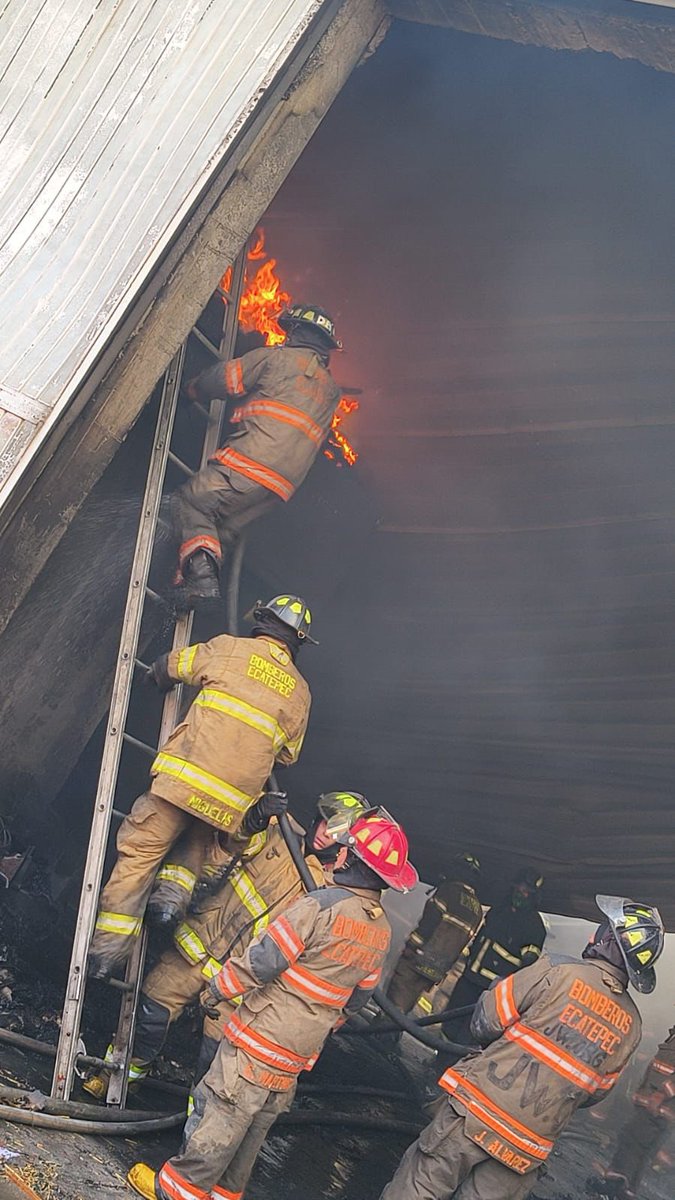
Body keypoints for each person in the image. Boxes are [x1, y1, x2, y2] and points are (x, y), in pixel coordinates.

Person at [127, 811, 418, 1200]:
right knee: (256, 1123)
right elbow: (358, 998)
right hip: (299, 1050)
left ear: (351, 858)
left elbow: (263, 960)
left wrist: (216, 990)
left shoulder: (319, 907)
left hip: (262, 1034)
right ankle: (225, 1194)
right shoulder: (380, 930)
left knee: (224, 1110)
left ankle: (179, 1189)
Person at [82, 791, 368, 1098]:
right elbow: (222, 852)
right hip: (197, 949)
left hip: (243, 981)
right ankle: (117, 1077)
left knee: (215, 1059)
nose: (325, 834)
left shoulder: (331, 888)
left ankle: (195, 1125)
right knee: (148, 1017)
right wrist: (251, 821)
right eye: (325, 822)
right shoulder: (277, 833)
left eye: (336, 831)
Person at [378, 894, 664, 1200]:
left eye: (603, 928)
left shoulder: (557, 970)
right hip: (527, 1146)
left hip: (476, 1115)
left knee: (420, 1187)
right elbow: (595, 1094)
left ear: (609, 940)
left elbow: (484, 1023)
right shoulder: (632, 1025)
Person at [88, 595, 313, 979]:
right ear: (297, 642)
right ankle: (169, 901)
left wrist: (155, 674)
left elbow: (174, 666)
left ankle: (105, 953)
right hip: (230, 804)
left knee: (139, 855)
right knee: (195, 839)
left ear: (263, 620)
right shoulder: (302, 694)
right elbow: (288, 755)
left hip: (182, 781)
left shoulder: (228, 648)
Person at [171, 304, 343, 610]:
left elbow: (222, 380)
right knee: (219, 531)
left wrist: (192, 391)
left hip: (249, 464)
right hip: (280, 488)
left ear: (295, 331)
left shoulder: (276, 358)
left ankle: (201, 584)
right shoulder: (331, 392)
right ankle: (188, 589)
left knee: (194, 501)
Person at [440, 868, 546, 1050]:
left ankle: (452, 1066)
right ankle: (437, 1058)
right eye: (519, 889)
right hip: (468, 979)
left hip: (490, 991)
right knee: (450, 1020)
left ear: (534, 897)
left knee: (469, 1033)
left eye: (526, 892)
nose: (521, 894)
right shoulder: (499, 909)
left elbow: (529, 963)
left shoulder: (534, 927)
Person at [386, 853, 483, 1014]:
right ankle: (392, 1030)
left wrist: (412, 946)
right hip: (438, 967)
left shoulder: (449, 891)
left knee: (395, 999)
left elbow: (429, 922)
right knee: (408, 1002)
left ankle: (381, 1032)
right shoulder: (477, 909)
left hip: (417, 958)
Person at [600, 1024, 675, 1199]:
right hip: (655, 1106)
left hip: (658, 1107)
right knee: (642, 1151)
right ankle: (625, 1191)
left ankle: (614, 1184)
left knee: (631, 1140)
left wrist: (660, 1094)